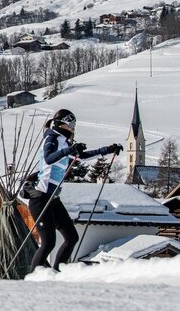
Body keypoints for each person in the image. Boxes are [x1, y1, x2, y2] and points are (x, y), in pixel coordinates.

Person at [27, 109, 122, 272]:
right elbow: (49, 158)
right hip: (41, 198)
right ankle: (33, 277)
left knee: (71, 237)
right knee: (48, 242)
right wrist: (69, 150)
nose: (73, 128)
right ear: (61, 124)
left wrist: (108, 149)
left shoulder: (63, 142)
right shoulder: (52, 138)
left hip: (53, 198)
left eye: (74, 125)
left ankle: (56, 274)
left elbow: (82, 156)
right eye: (70, 124)